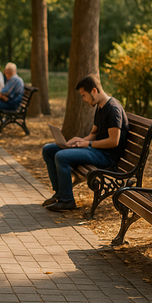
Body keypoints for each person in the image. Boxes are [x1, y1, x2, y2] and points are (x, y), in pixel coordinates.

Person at [42, 74, 130, 212]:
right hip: (96, 150)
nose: (84, 99)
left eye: (84, 95)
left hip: (107, 156)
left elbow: (114, 141)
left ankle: (67, 200)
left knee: (61, 156)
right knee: (48, 149)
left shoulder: (113, 109)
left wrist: (88, 145)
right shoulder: (100, 107)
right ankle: (59, 194)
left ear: (94, 91)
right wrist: (81, 140)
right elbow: (94, 134)